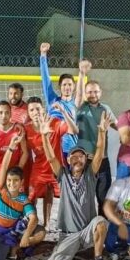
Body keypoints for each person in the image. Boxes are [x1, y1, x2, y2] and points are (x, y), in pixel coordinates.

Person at [44, 111, 111, 260]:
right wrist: (44, 137)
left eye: (81, 156)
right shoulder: (63, 176)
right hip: (68, 235)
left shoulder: (90, 175)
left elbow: (100, 151)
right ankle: (67, 254)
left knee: (101, 222)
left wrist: (102, 131)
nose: (78, 159)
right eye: (74, 156)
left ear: (85, 160)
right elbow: (51, 158)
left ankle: (98, 259)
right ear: (68, 160)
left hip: (87, 231)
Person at [0, 134, 45, 260]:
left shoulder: (23, 199)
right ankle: (11, 248)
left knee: (41, 232)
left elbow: (33, 218)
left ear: (21, 182)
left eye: (15, 181)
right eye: (9, 180)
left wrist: (27, 236)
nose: (11, 183)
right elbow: (4, 167)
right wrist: (10, 148)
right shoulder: (1, 190)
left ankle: (15, 246)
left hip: (14, 230)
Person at [23, 97, 77, 228]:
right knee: (31, 196)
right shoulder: (26, 129)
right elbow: (24, 151)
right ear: (28, 113)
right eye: (32, 110)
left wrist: (64, 111)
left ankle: (47, 224)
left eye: (37, 109)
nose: (35, 112)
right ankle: (32, 221)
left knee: (54, 194)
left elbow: (74, 130)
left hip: (56, 168)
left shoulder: (55, 123)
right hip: (39, 168)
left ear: (43, 110)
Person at [75, 74, 117, 214]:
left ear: (100, 92)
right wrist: (82, 74)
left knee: (103, 197)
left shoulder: (106, 108)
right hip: (85, 161)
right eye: (89, 92)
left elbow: (118, 126)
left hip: (102, 160)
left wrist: (128, 134)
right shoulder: (80, 107)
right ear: (85, 94)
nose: (92, 94)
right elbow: (79, 94)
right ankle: (84, 228)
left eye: (95, 91)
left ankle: (102, 228)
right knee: (84, 198)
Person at [39, 42, 80, 157]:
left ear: (74, 86)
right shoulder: (53, 100)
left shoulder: (76, 103)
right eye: (64, 85)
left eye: (70, 85)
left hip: (72, 150)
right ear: (60, 87)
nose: (67, 87)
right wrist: (43, 55)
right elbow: (45, 79)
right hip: (54, 149)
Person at [0, 102, 28, 197]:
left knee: (17, 202)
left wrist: (18, 168)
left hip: (14, 172)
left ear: (11, 114)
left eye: (7, 113)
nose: (4, 116)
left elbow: (25, 152)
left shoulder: (18, 130)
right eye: (0, 112)